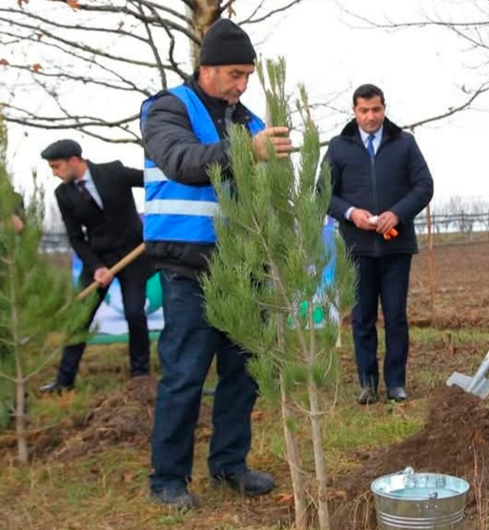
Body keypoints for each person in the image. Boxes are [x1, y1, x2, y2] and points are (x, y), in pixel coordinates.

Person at [141, 18, 291, 508]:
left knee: (241, 374)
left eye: (247, 74)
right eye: (233, 73)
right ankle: (168, 479)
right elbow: (182, 162)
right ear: (206, 68)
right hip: (188, 268)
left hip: (243, 267)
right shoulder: (167, 109)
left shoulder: (246, 120)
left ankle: (229, 464)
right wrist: (249, 150)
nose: (242, 84)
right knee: (185, 373)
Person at [325, 84, 434, 404]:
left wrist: (397, 214)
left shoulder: (404, 144)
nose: (370, 117)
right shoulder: (338, 147)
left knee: (396, 316)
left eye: (376, 110)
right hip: (356, 248)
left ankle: (396, 383)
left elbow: (424, 185)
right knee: (362, 317)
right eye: (363, 111)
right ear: (354, 111)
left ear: (384, 108)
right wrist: (350, 212)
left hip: (396, 248)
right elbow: (323, 193)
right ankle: (367, 384)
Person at [39, 139, 153, 393]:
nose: (54, 173)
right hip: (98, 261)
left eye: (56, 167)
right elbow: (76, 237)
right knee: (79, 319)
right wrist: (97, 267)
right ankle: (63, 381)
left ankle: (140, 376)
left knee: (135, 313)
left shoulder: (114, 171)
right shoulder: (63, 194)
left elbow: (153, 181)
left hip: (133, 255)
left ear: (74, 161)